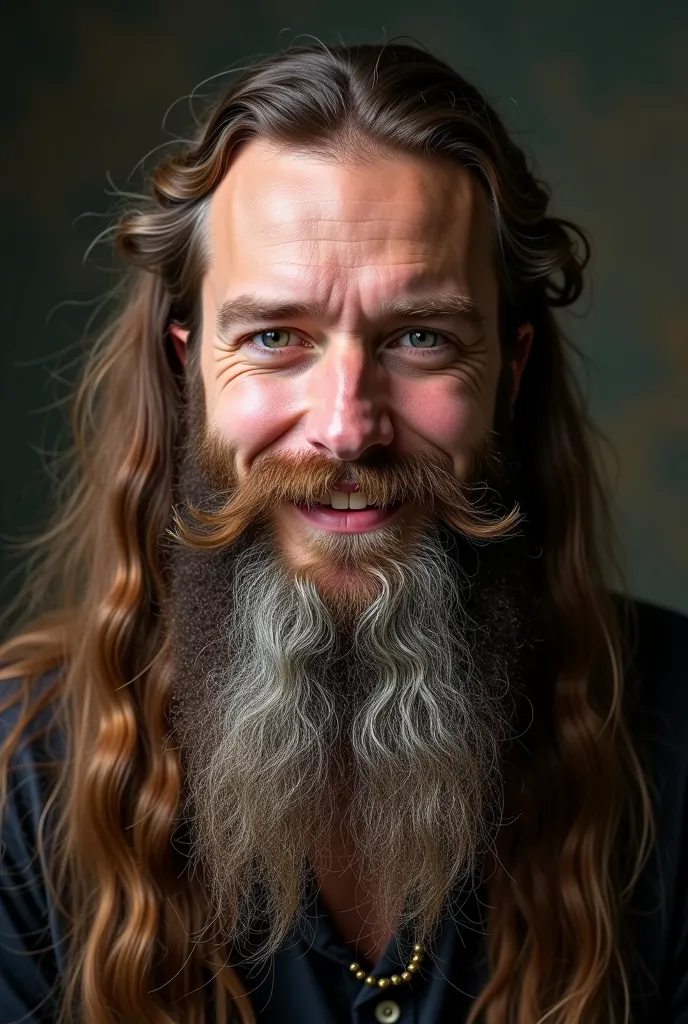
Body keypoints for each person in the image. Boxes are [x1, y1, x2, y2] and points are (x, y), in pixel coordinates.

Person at [0, 41, 686, 1024]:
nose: (345, 425)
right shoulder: (22, 781)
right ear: (191, 366)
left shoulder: (675, 738)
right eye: (276, 337)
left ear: (511, 367)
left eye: (421, 337)